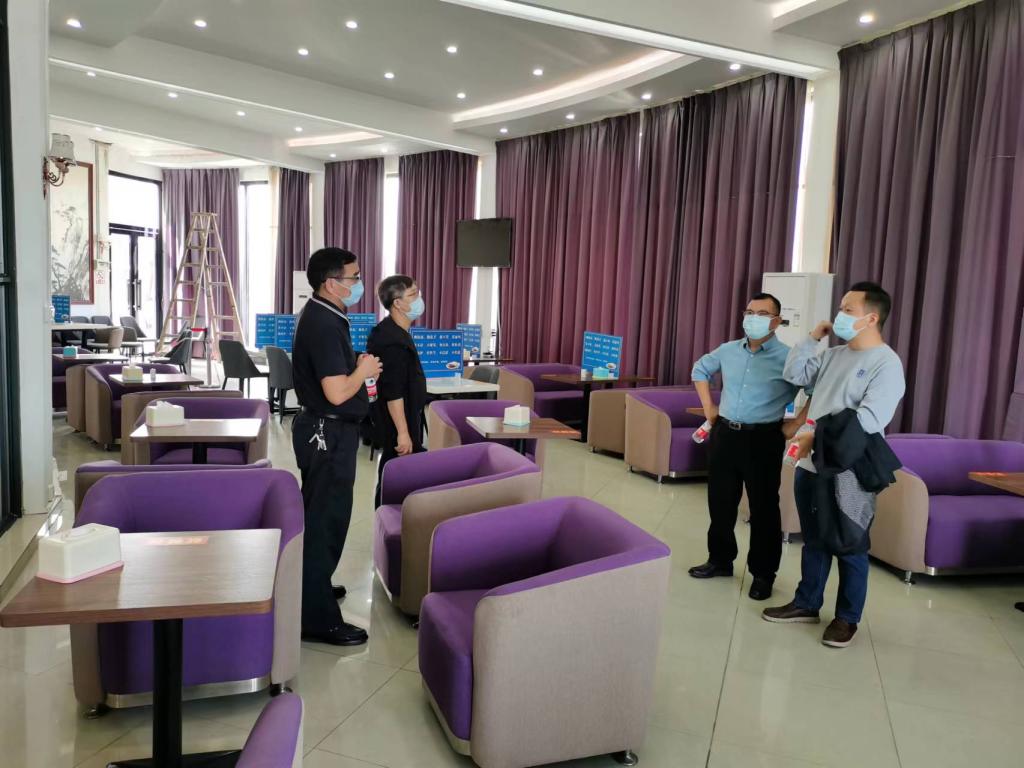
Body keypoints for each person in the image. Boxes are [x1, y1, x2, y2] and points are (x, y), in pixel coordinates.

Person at [763, 281, 905, 648]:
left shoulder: (886, 364)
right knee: (814, 539)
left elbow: (870, 419)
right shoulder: (834, 355)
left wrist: (815, 437)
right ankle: (807, 602)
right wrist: (813, 339)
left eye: (848, 309)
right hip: (812, 464)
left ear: (871, 318)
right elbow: (795, 376)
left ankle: (847, 618)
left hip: (850, 469)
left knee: (849, 543)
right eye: (840, 308)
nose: (839, 314)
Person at [291, 247, 383, 647]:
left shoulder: (323, 313)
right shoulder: (324, 324)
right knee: (324, 522)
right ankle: (317, 619)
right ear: (331, 283)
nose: (359, 283)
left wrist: (355, 365)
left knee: (319, 516)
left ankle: (313, 587)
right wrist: (363, 370)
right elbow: (337, 392)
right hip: (327, 432)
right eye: (354, 277)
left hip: (323, 431)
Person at [689, 293, 803, 601]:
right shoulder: (728, 350)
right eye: (749, 312)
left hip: (763, 438)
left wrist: (797, 423)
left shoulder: (788, 357)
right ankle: (720, 560)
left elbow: (816, 387)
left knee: (764, 509)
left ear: (776, 321)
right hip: (726, 434)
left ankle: (763, 574)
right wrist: (709, 408)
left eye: (762, 314)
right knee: (720, 502)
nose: (753, 318)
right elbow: (700, 370)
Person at [366, 275, 428, 507]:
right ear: (398, 304)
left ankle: (392, 516)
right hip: (397, 420)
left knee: (398, 473)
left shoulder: (394, 332)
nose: (419, 298)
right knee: (395, 473)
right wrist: (403, 432)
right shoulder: (392, 341)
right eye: (413, 295)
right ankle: (387, 517)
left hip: (404, 415)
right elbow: (393, 391)